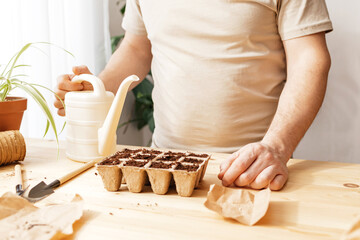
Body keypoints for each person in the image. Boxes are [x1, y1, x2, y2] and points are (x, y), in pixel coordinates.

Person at [54, 0, 333, 191]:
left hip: (253, 172)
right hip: (162, 171)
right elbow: (138, 48)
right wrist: (97, 90)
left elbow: (310, 60)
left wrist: (277, 147)